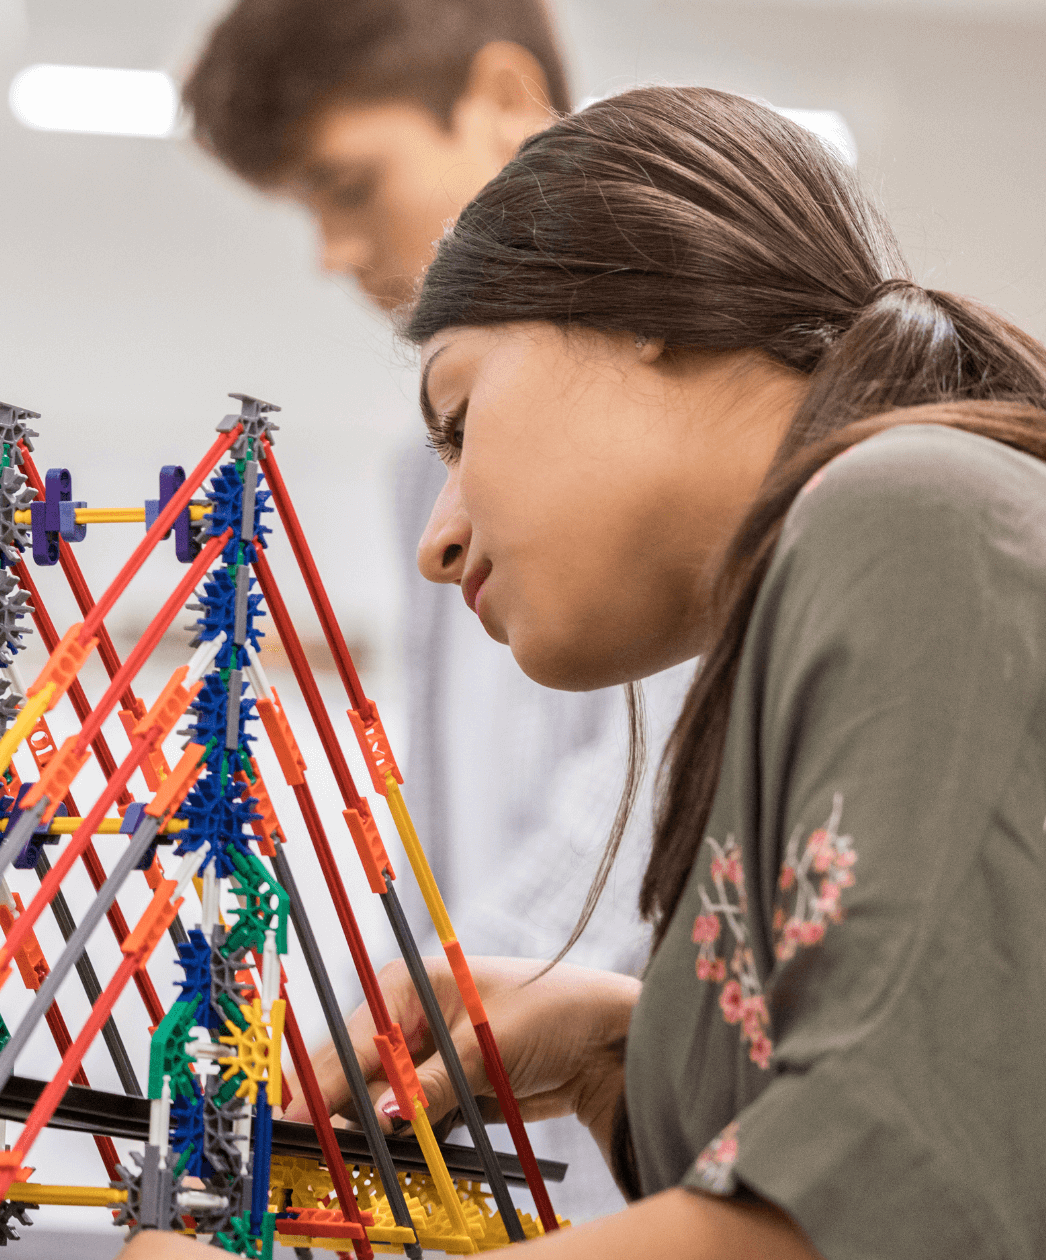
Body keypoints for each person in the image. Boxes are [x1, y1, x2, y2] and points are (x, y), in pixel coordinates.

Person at [124, 83, 1046, 1259]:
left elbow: (889, 1202)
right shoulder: (826, 587)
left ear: (639, 299)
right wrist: (618, 1055)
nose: (435, 540)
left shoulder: (911, 513)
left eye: (458, 418)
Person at [182, 0, 684, 1221]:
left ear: (503, 99)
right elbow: (441, 801)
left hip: (630, 1122)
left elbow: (633, 801)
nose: (331, 250)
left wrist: (442, 1014)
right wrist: (378, 1011)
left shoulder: (680, 407)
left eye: (346, 185)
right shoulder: (421, 470)